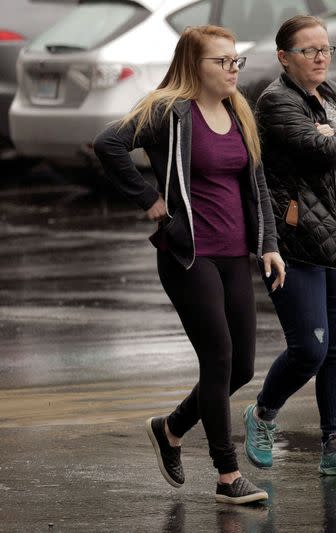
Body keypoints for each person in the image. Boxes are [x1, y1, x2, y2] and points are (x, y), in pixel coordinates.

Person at [93, 25, 285, 505]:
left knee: (240, 366)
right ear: (192, 66)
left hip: (235, 255)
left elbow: (257, 184)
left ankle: (171, 427)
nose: (232, 69)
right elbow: (108, 144)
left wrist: (269, 243)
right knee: (217, 357)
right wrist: (148, 199)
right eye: (221, 62)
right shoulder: (169, 113)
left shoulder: (238, 110)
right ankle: (227, 475)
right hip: (188, 255)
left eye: (235, 60)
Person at [242, 15, 336, 477]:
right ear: (284, 57)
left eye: (326, 49)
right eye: (310, 50)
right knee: (310, 349)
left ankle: (335, 445)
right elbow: (323, 153)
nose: (321, 57)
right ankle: (262, 414)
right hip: (295, 245)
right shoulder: (275, 102)